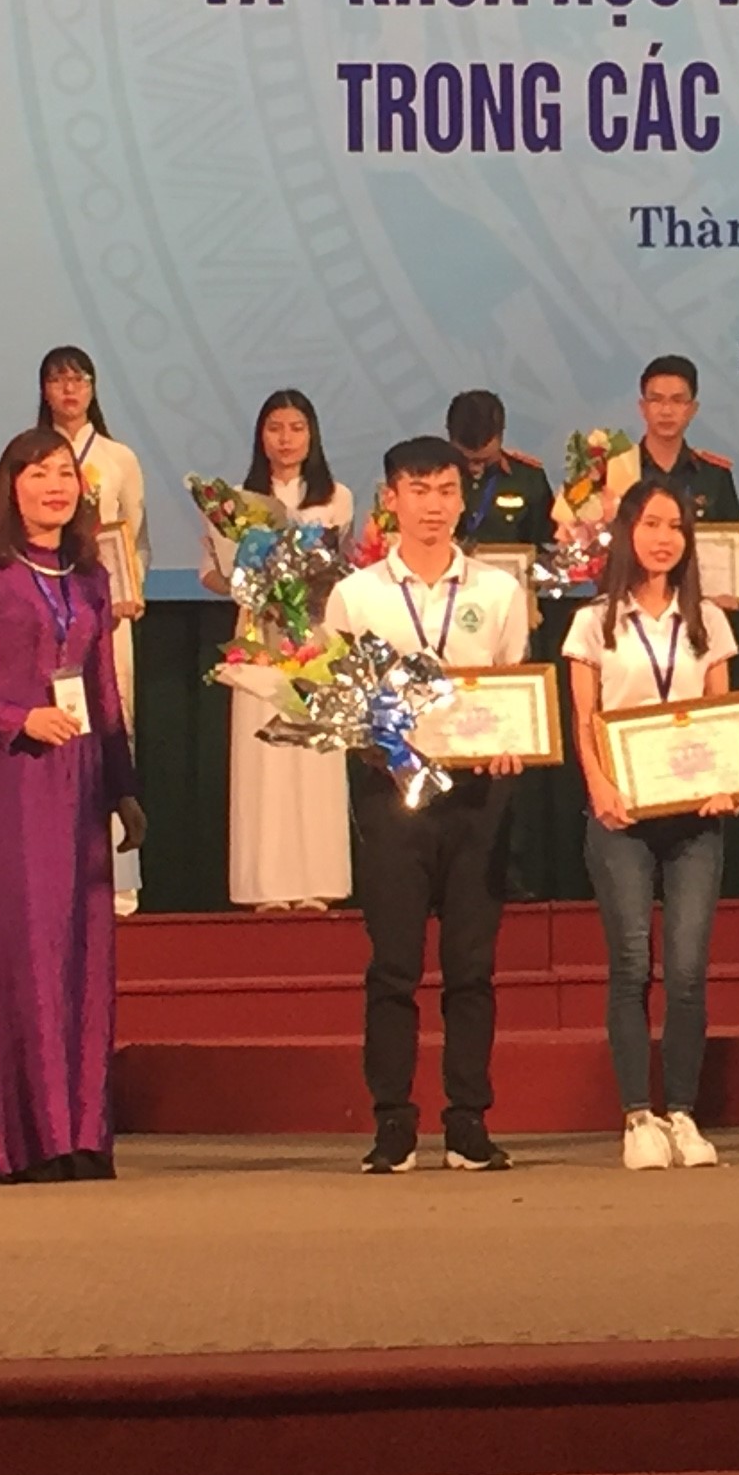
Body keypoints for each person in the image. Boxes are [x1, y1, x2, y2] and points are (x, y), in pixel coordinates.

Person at [0, 427, 142, 1184]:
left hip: (81, 781)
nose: (55, 486)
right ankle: (16, 1140)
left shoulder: (91, 577)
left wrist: (124, 787)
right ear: (11, 485)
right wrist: (15, 720)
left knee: (82, 954)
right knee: (22, 950)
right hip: (14, 776)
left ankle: (80, 1133)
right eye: (39, 473)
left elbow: (103, 690)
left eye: (65, 473)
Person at [324, 435, 533, 1174]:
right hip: (391, 797)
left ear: (461, 497)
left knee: (471, 965)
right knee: (394, 965)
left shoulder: (498, 592)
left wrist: (511, 741)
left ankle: (468, 1120)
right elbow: (340, 703)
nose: (433, 506)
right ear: (391, 500)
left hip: (478, 794)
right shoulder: (357, 596)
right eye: (418, 491)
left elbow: (514, 687)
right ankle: (393, 1122)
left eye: (446, 490)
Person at [562, 479, 739, 1170]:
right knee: (633, 964)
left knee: (688, 970)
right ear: (627, 531)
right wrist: (600, 785)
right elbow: (585, 719)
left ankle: (684, 1114)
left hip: (695, 817)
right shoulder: (594, 621)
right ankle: (638, 1116)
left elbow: (724, 718)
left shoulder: (709, 620)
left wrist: (725, 781)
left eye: (676, 527)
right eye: (652, 524)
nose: (665, 538)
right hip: (622, 815)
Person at [214, 388, 358, 911]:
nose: (286, 438)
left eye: (297, 428)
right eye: (275, 428)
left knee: (314, 757)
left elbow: (341, 566)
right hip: (260, 634)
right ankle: (266, 886)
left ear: (312, 434)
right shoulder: (237, 499)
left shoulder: (336, 497)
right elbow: (220, 573)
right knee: (265, 759)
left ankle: (319, 880)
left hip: (317, 637)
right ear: (261, 435)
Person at [36, 347, 148, 914]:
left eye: (79, 379)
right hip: (45, 614)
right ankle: (57, 869)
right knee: (54, 731)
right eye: (58, 380)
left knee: (112, 724)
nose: (70, 389)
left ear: (93, 388)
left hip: (108, 613)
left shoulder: (118, 457)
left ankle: (117, 877)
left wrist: (129, 589)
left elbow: (137, 539)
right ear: (45, 390)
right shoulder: (32, 454)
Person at [607, 355, 739, 530]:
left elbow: (733, 540)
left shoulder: (715, 476)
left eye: (677, 400)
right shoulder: (617, 469)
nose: (666, 411)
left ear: (692, 409)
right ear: (643, 407)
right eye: (656, 400)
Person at [448, 390, 554, 544]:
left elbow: (544, 544)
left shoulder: (529, 479)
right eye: (464, 459)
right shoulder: (428, 478)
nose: (474, 468)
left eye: (484, 460)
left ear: (501, 434)